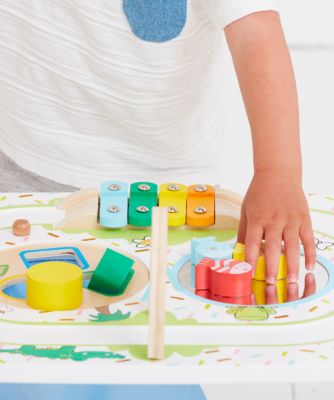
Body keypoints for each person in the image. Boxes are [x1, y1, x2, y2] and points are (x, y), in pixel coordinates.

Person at [0, 1, 315, 399]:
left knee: (148, 347)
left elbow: (255, 29)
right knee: (31, 353)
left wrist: (278, 173)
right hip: (26, 170)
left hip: (167, 198)